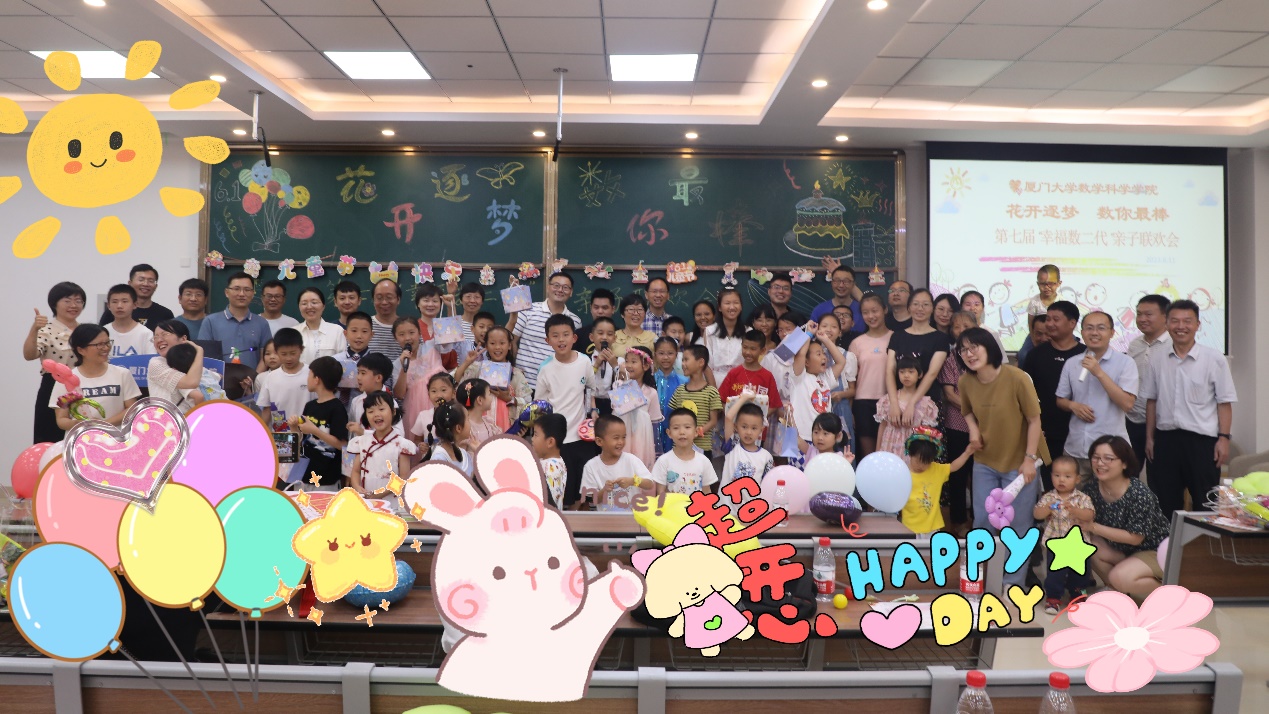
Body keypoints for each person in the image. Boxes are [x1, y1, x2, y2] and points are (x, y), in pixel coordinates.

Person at [956, 326, 1042, 591]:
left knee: (1017, 526)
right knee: (982, 520)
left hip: (1020, 462)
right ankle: (979, 579)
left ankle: (1011, 584)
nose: (969, 354)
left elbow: (1034, 420)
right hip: (985, 461)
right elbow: (966, 411)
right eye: (963, 350)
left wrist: (1029, 459)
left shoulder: (1016, 377)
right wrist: (973, 429)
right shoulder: (965, 381)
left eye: (974, 347)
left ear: (990, 348)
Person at [1142, 299, 1236, 517]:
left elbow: (1224, 402)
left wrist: (1224, 439)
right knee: (1165, 502)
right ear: (1167, 324)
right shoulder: (1156, 358)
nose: (1181, 326)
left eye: (1187, 321)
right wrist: (1149, 438)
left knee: (1205, 501)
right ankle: (1168, 541)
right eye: (1175, 321)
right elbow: (1152, 400)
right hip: (1166, 440)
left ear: (1197, 325)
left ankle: (1204, 541)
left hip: (1202, 442)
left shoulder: (1214, 359)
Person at [1075, 436, 1170, 600]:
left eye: (1108, 458)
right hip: (1121, 549)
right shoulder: (1091, 489)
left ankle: (1171, 588)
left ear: (1124, 463)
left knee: (1120, 577)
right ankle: (1116, 590)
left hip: (1152, 550)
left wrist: (1093, 527)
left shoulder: (1139, 494)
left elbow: (1135, 538)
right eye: (1096, 458)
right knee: (1084, 544)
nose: (1100, 463)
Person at [1055, 311, 1138, 477]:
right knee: (1075, 494)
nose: (1094, 333)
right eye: (1089, 328)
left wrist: (1099, 372)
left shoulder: (1125, 362)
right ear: (1082, 332)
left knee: (1109, 493)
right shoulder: (1072, 363)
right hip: (1076, 448)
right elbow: (1060, 400)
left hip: (1111, 452)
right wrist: (1072, 405)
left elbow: (1127, 404)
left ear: (1112, 332)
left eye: (1101, 328)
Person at [534, 313, 598, 506]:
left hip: (582, 436)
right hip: (557, 439)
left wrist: (594, 412)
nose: (561, 340)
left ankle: (581, 519)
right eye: (555, 336)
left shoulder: (584, 361)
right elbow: (540, 404)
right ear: (547, 340)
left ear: (574, 337)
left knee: (583, 491)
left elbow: (591, 389)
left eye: (565, 334)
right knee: (563, 490)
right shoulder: (545, 368)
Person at [1024, 300, 1085, 490]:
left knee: (1077, 490)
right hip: (1044, 434)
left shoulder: (1085, 355)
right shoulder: (1035, 355)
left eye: (1055, 319)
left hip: (1078, 435)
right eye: (1048, 319)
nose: (1049, 324)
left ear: (1072, 323)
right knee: (1050, 488)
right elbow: (1025, 395)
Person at [1033, 455, 1095, 614]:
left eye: (1067, 476)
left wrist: (1075, 510)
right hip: (1056, 545)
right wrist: (1048, 508)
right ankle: (1053, 599)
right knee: (1055, 574)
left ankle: (1078, 596)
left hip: (1078, 546)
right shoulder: (1049, 497)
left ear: (1077, 479)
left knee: (1080, 574)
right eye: (1057, 475)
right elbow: (1037, 514)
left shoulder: (1082, 498)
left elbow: (1089, 515)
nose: (1061, 480)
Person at [49, 325, 141, 430]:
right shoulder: (66, 379)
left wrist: (104, 425)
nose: (106, 348)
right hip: (82, 438)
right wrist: (80, 424)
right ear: (81, 350)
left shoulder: (122, 374)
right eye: (99, 344)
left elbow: (131, 409)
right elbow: (61, 419)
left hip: (116, 436)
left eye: (107, 343)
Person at [24, 282, 84, 443]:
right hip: (53, 386)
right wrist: (34, 329)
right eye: (67, 300)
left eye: (78, 301)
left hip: (82, 386)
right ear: (54, 303)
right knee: (50, 438)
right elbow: (29, 355)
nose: (73, 305)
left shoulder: (86, 331)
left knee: (81, 437)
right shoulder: (46, 329)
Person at [939, 310, 978, 532]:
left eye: (966, 326)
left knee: (980, 475)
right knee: (958, 476)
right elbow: (948, 393)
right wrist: (972, 409)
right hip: (956, 424)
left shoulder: (985, 356)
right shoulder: (951, 358)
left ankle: (980, 521)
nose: (961, 330)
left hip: (985, 425)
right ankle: (959, 522)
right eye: (956, 326)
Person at [884, 288, 948, 423]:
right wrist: (894, 403)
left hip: (927, 403)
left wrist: (912, 403)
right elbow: (890, 370)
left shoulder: (940, 338)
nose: (920, 308)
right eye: (916, 304)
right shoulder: (897, 336)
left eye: (925, 304)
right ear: (909, 307)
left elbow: (932, 373)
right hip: (899, 402)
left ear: (932, 308)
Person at [511, 272, 581, 391]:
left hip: (556, 387)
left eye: (565, 287)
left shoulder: (576, 321)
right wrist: (514, 368)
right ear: (548, 287)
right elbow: (511, 341)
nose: (560, 290)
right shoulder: (528, 310)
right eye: (556, 285)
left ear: (571, 292)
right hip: (525, 385)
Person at [900, 427, 977, 534]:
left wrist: (967, 453)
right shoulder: (902, 474)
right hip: (909, 527)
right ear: (910, 453)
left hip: (932, 527)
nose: (921, 466)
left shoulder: (936, 469)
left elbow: (953, 466)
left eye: (926, 462)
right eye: (918, 461)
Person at [1125, 294, 1171, 467]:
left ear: (1165, 317)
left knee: (1159, 475)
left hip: (1162, 424)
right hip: (1133, 419)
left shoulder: (1174, 345)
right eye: (1139, 314)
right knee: (1128, 472)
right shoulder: (1134, 344)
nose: (1142, 319)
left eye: (1148, 314)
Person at [292, 356, 349, 489]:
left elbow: (342, 444)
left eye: (309, 375)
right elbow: (301, 439)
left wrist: (315, 430)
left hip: (327, 479)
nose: (307, 379)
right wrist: (294, 428)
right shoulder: (310, 406)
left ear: (317, 379)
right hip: (303, 476)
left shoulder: (337, 408)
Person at [458, 325, 528, 431]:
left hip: (506, 427)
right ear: (486, 346)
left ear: (509, 345)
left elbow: (527, 402)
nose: (497, 347)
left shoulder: (516, 374)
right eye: (492, 343)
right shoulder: (477, 368)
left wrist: (510, 399)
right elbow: (455, 380)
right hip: (478, 427)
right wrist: (467, 362)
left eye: (502, 343)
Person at [578, 415, 655, 510]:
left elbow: (649, 484)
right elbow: (592, 500)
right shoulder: (591, 466)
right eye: (616, 438)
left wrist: (633, 481)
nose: (621, 442)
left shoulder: (631, 460)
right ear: (599, 441)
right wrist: (604, 490)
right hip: (606, 518)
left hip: (632, 517)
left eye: (623, 437)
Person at [849, 293, 892, 459]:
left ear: (884, 310)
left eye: (875, 311)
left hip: (890, 401)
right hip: (863, 403)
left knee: (887, 454)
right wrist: (851, 410)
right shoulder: (857, 343)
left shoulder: (896, 338)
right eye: (865, 312)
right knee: (868, 456)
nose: (871, 316)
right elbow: (850, 379)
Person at [791, 323, 849, 444]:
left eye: (823, 353)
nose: (824, 357)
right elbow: (801, 355)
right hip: (803, 437)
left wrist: (825, 339)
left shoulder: (825, 379)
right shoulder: (799, 377)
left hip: (824, 438)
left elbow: (841, 362)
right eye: (818, 354)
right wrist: (808, 334)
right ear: (806, 362)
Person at [199, 271, 271, 369]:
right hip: (218, 378)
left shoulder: (262, 323)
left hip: (254, 377)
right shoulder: (210, 321)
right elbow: (205, 356)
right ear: (227, 292)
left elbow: (265, 357)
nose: (241, 294)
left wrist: (255, 377)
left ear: (252, 293)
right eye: (236, 289)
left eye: (247, 290)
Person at [392, 317, 445, 445]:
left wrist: (449, 309)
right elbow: (399, 394)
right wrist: (404, 368)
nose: (407, 338)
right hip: (415, 410)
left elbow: (448, 339)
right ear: (395, 338)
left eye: (411, 332)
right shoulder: (397, 364)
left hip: (441, 403)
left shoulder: (432, 347)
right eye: (401, 334)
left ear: (419, 333)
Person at [347, 390, 412, 494]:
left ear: (393, 411)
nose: (376, 414)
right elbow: (356, 471)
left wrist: (380, 494)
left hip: (391, 500)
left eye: (381, 409)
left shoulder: (402, 445)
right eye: (370, 411)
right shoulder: (361, 441)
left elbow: (403, 477)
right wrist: (357, 487)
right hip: (366, 498)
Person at [876, 354, 939, 460]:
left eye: (911, 372)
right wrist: (878, 450)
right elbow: (882, 426)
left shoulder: (926, 404)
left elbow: (927, 433)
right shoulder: (888, 399)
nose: (906, 375)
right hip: (889, 446)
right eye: (902, 372)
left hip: (913, 450)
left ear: (920, 374)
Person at [669, 345, 724, 459]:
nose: (683, 364)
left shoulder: (711, 392)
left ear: (700, 362)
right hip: (679, 447)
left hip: (702, 448)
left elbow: (713, 421)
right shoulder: (679, 390)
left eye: (686, 360)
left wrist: (697, 432)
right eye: (682, 360)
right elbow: (674, 416)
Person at [718, 330, 784, 421]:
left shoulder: (767, 376)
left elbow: (774, 405)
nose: (748, 352)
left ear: (762, 351)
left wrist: (757, 420)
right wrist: (733, 418)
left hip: (758, 428)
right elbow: (721, 400)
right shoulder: (733, 373)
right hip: (734, 427)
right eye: (745, 347)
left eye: (753, 349)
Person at [652, 408, 720, 495]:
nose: (682, 432)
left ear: (696, 431)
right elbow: (660, 493)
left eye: (687, 427)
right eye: (676, 428)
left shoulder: (704, 461)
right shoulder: (663, 461)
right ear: (669, 433)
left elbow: (706, 491)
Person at [616, 345, 662, 469]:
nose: (628, 365)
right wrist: (623, 380)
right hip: (623, 436)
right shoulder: (619, 386)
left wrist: (657, 449)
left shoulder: (651, 393)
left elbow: (655, 424)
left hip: (642, 439)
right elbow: (620, 410)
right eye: (626, 361)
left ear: (645, 366)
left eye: (633, 361)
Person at [256, 327, 310, 432]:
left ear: (301, 350)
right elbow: (266, 408)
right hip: (281, 435)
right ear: (277, 351)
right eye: (283, 354)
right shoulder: (271, 377)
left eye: (293, 353)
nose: (288, 358)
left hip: (308, 433)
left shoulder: (311, 374)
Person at [146, 320, 205, 409]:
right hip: (166, 416)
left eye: (165, 334)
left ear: (183, 339)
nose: (159, 340)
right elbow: (191, 383)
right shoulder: (156, 363)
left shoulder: (194, 363)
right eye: (155, 337)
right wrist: (199, 351)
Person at [720, 396, 773, 489]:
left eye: (754, 428)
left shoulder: (766, 457)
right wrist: (744, 397)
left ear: (761, 430)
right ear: (736, 426)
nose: (749, 432)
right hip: (727, 499)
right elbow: (728, 417)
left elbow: (768, 485)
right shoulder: (732, 446)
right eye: (744, 427)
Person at [99, 264, 173, 327]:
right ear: (130, 283)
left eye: (150, 281)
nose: (145, 284)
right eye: (141, 280)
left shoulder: (165, 314)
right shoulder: (116, 311)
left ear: (156, 286)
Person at [653, 336, 688, 456]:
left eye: (670, 353)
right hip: (653, 430)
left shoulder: (684, 381)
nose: (666, 357)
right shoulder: (650, 380)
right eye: (661, 353)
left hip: (677, 429)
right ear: (655, 355)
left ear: (676, 355)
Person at [705, 287, 745, 388]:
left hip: (741, 381)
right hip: (717, 380)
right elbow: (707, 365)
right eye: (727, 303)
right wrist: (714, 391)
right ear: (719, 307)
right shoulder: (710, 331)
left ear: (741, 306)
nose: (732, 307)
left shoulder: (748, 331)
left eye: (736, 303)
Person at [296, 287, 347, 363]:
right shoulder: (293, 332)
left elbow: (343, 362)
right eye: (304, 303)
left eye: (314, 302)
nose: (309, 307)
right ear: (299, 307)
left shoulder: (337, 331)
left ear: (323, 306)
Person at [103, 284, 155, 359]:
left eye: (124, 301)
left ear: (135, 304)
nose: (119, 306)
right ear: (108, 305)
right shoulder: (103, 332)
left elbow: (151, 361)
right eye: (114, 302)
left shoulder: (146, 333)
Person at [959, 290, 1010, 364]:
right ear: (961, 308)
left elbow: (1002, 362)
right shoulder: (957, 332)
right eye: (968, 304)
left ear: (983, 308)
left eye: (977, 304)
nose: (972, 308)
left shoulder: (991, 334)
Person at [531, 413, 569, 508]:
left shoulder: (551, 468)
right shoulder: (552, 462)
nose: (532, 439)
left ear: (550, 442)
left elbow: (547, 502)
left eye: (536, 435)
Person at [426, 401, 473, 478]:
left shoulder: (465, 455)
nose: (470, 423)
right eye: (468, 419)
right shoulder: (438, 460)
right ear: (458, 428)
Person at [811, 264, 863, 330]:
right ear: (832, 282)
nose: (841, 285)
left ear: (853, 284)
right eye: (837, 280)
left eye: (846, 281)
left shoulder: (862, 310)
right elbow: (811, 334)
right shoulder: (819, 310)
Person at [456, 378, 499, 449]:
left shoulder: (489, 422)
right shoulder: (465, 428)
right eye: (489, 394)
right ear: (480, 400)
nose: (491, 398)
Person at [612, 293, 655, 361]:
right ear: (622, 314)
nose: (636, 313)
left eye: (640, 310)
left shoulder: (652, 338)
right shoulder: (613, 336)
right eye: (631, 309)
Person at [368, 279, 404, 361]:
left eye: (389, 297)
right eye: (379, 298)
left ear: (398, 300)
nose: (384, 302)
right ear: (373, 300)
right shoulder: (365, 325)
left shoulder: (408, 327)